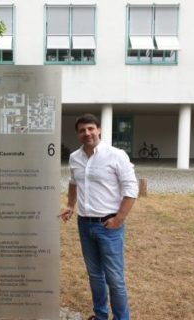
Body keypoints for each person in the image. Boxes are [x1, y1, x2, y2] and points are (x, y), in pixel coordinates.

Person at [59, 113, 138, 320]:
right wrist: (70, 204)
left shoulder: (116, 155)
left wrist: (119, 219)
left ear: (99, 130)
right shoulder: (75, 157)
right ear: (78, 134)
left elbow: (131, 189)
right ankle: (101, 315)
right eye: (82, 130)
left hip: (108, 226)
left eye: (91, 129)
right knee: (95, 275)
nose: (87, 133)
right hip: (84, 224)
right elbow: (73, 182)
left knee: (114, 278)